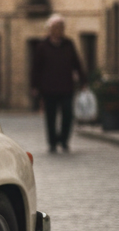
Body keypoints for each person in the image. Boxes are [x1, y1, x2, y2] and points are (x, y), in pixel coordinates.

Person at [30, 14, 88, 152]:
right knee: (50, 116)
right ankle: (52, 142)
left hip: (66, 87)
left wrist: (83, 80)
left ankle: (64, 140)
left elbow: (77, 63)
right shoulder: (42, 46)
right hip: (48, 88)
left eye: (61, 27)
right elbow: (36, 68)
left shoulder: (69, 44)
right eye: (55, 27)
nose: (58, 30)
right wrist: (34, 86)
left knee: (68, 114)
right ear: (50, 29)